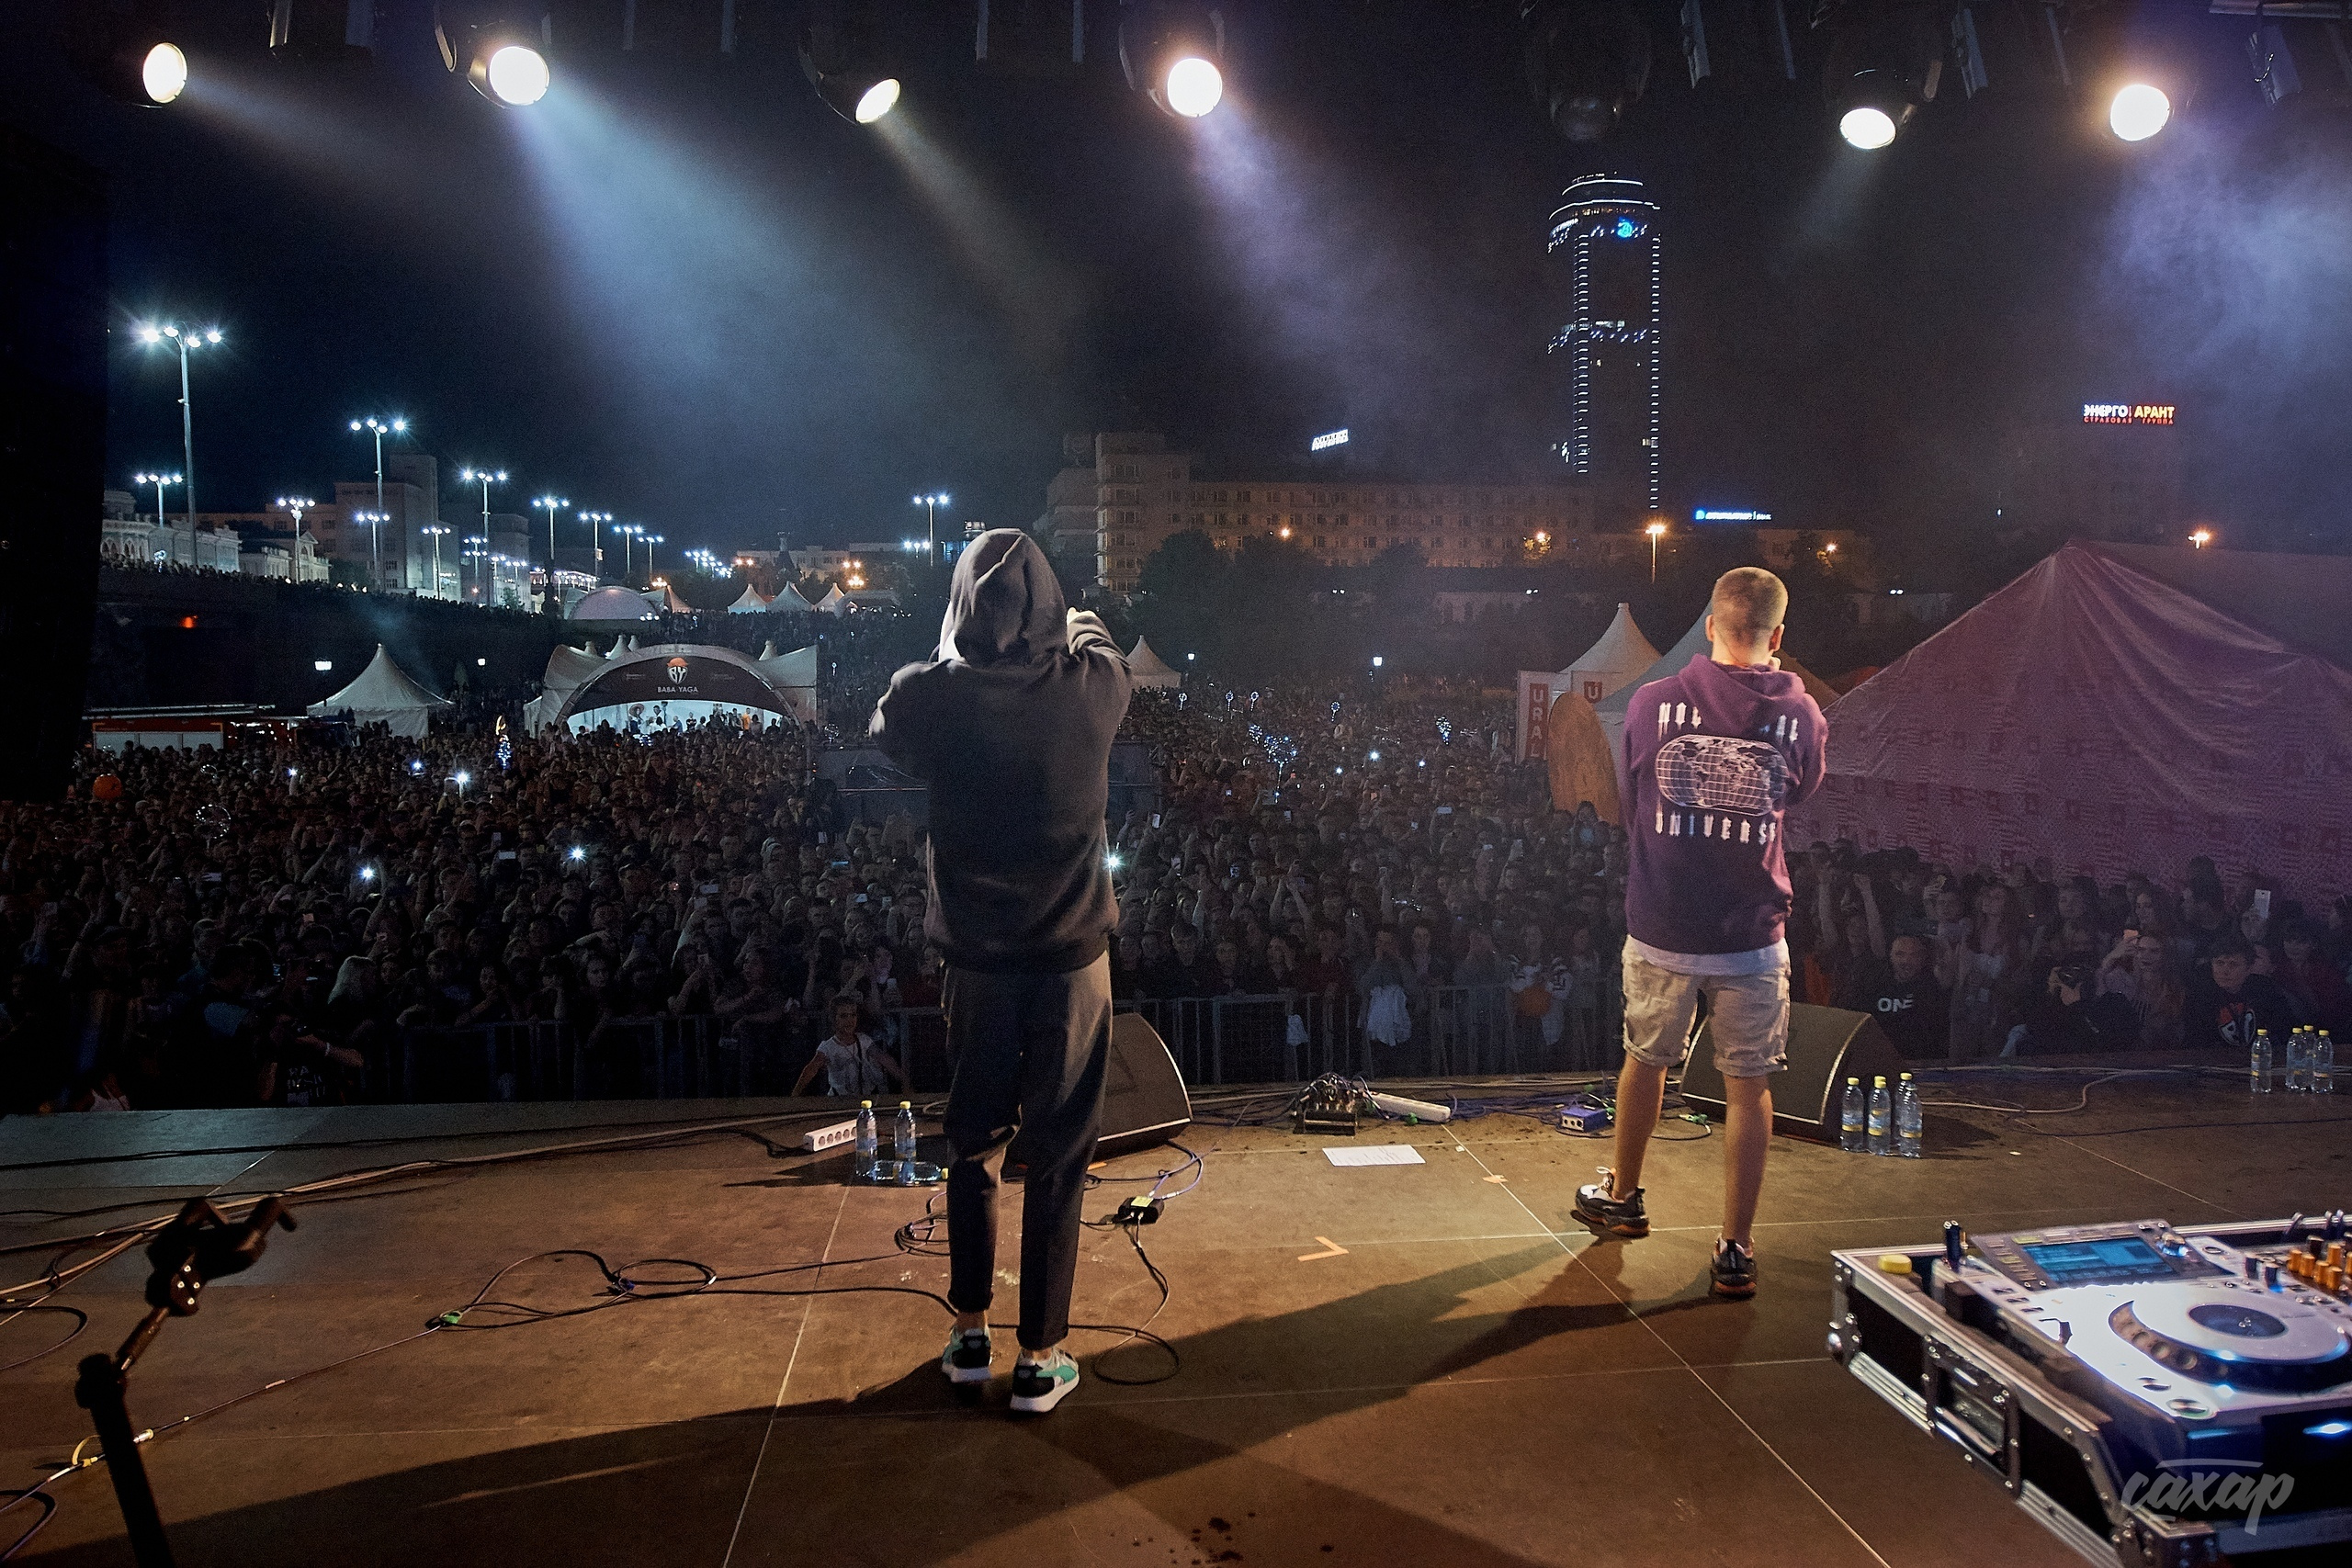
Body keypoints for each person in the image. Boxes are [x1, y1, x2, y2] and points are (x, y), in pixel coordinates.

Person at [871, 529, 1130, 1416]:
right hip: (1072, 964)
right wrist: (1074, 623)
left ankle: (971, 1332)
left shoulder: (931, 696)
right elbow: (1097, 640)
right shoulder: (1093, 687)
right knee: (1058, 1155)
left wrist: (956, 647)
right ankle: (1041, 1356)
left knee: (972, 1144)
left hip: (978, 965)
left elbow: (888, 722)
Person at [1575, 567, 1825, 1300]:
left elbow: (1632, 794)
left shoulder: (1651, 702)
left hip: (1664, 920)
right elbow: (1800, 790)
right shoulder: (1802, 715)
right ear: (1778, 635)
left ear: (1710, 625)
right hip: (1751, 931)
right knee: (1749, 1088)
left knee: (1645, 1061)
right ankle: (1736, 1247)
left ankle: (1623, 1196)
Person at [1837, 932, 1948, 1060]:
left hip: (1922, 1061)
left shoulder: (1933, 988)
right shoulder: (1872, 986)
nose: (1907, 961)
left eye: (1914, 955)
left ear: (1923, 958)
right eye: (1900, 954)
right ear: (1890, 956)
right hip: (1878, 1060)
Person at [2183, 933, 2296, 1054]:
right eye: (2220, 963)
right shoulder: (2201, 993)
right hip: (2215, 1058)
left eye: (2233, 964)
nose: (2225, 971)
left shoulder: (2265, 989)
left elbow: (2285, 1029)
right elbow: (2195, 1038)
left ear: (2248, 968)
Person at [793, 993, 905, 1098]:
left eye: (853, 1015)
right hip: (838, 1100)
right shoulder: (828, 1047)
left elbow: (885, 1060)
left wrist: (905, 1082)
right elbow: (810, 1070)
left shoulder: (863, 1040)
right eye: (844, 1016)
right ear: (834, 1019)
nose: (850, 1020)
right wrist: (795, 1095)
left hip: (863, 1098)